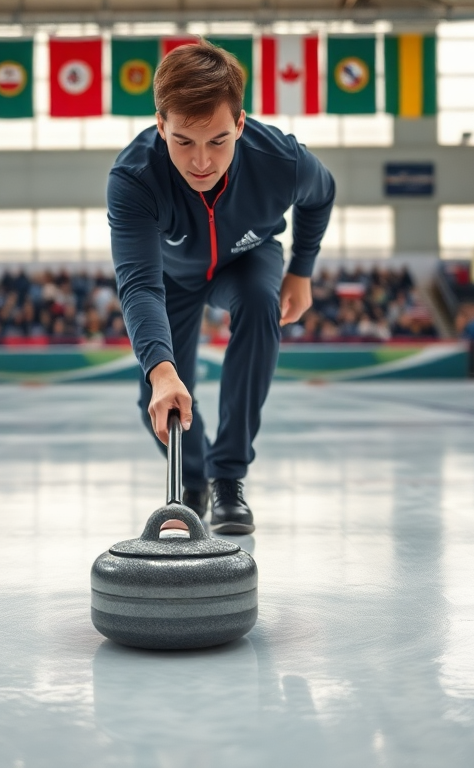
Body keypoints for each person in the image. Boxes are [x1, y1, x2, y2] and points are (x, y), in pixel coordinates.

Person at [108, 41, 335, 535]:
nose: (201, 162)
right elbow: (139, 283)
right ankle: (193, 481)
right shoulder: (134, 179)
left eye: (217, 140)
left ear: (240, 124)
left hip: (247, 258)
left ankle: (228, 479)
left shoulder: (281, 159)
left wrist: (301, 269)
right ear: (160, 124)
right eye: (183, 141)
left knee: (260, 301)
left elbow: (322, 194)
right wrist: (162, 372)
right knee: (156, 394)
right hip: (171, 279)